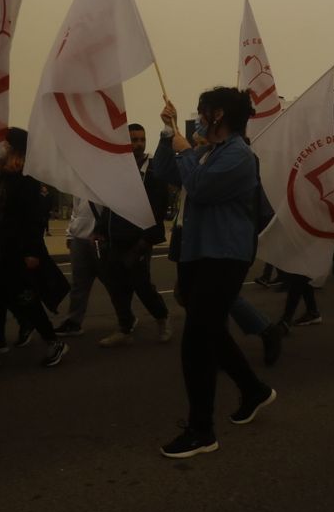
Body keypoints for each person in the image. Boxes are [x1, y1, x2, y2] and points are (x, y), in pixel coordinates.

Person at [152, 88, 276, 459]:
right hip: (199, 252)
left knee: (196, 342)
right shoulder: (209, 151)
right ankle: (252, 390)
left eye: (203, 110)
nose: (199, 115)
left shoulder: (238, 155)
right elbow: (164, 172)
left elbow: (201, 189)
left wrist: (185, 149)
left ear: (218, 114)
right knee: (210, 331)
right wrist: (166, 134)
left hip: (224, 256)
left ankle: (202, 430)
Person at [0, 129, 69, 368]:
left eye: (4, 143)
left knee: (26, 298)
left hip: (18, 250)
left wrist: (32, 252)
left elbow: (34, 218)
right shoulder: (2, 175)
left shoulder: (26, 178)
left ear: (15, 148)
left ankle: (53, 341)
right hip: (0, 250)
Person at [97, 122, 172, 347]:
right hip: (114, 238)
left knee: (141, 285)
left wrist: (144, 242)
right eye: (134, 139)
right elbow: (108, 204)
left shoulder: (153, 170)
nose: (138, 144)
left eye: (141, 139)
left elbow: (158, 209)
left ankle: (162, 318)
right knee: (117, 287)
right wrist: (100, 230)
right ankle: (125, 327)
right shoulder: (117, 170)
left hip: (138, 240)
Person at [59, 195, 100, 335]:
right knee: (78, 284)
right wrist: (70, 234)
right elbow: (75, 211)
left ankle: (126, 319)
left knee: (112, 282)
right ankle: (73, 322)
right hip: (79, 238)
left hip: (99, 239)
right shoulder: (80, 186)